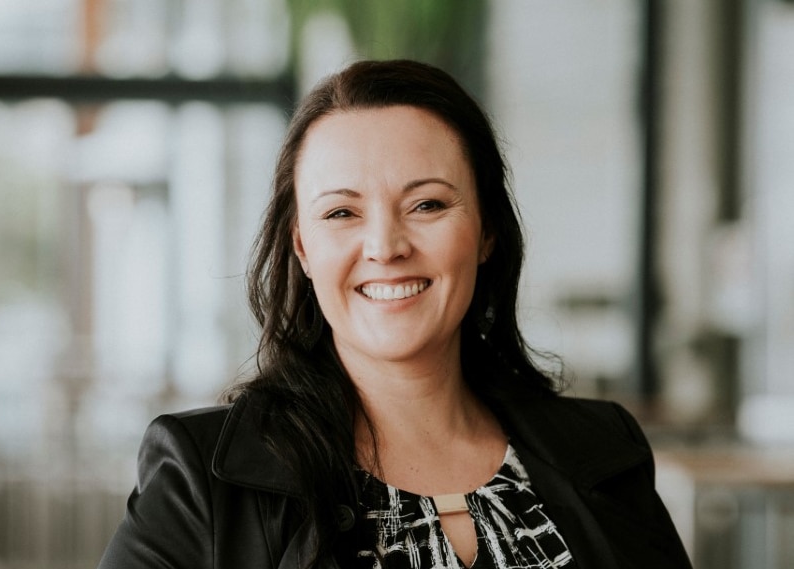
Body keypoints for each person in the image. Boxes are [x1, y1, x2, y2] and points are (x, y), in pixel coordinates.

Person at [98, 59, 693, 569]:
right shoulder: (203, 477)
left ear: (486, 230)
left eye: (427, 204)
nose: (385, 246)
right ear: (302, 246)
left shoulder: (604, 451)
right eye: (341, 214)